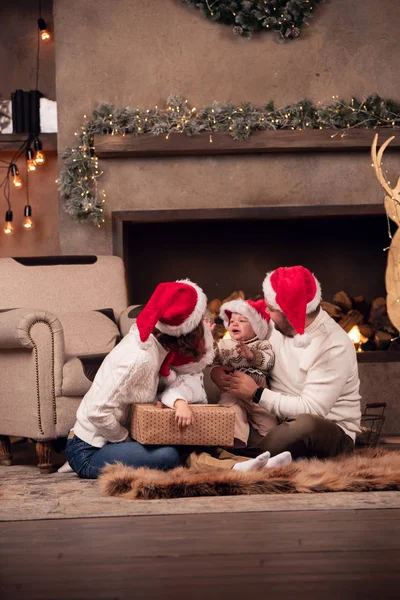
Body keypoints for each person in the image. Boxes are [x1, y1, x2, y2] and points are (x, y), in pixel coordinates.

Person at [209, 265, 362, 465]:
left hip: (326, 430)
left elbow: (312, 410)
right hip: (274, 422)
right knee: (229, 418)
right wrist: (218, 373)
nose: (265, 311)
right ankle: (244, 456)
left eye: (271, 309)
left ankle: (229, 459)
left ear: (290, 313)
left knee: (305, 425)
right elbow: (243, 352)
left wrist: (256, 393)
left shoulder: (333, 344)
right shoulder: (274, 327)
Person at [65, 279, 215, 479]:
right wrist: (125, 440)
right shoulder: (139, 358)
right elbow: (97, 411)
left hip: (110, 442)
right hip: (89, 451)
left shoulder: (156, 348)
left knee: (187, 441)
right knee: (169, 456)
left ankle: (228, 465)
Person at [215, 298, 278, 448]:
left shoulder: (262, 344)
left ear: (257, 327)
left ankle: (271, 447)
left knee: (270, 424)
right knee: (230, 412)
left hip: (258, 393)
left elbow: (268, 361)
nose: (234, 324)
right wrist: (205, 334)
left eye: (242, 320)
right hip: (233, 390)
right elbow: (208, 359)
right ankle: (235, 447)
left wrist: (252, 356)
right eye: (231, 322)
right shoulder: (224, 345)